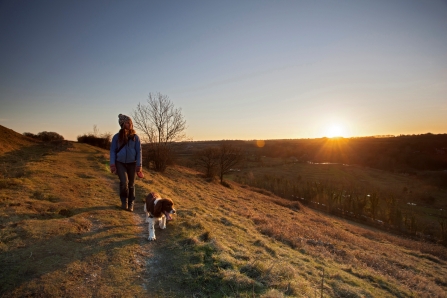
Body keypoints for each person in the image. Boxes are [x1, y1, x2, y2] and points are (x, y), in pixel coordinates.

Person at [109, 114, 143, 211]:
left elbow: (139, 151)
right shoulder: (116, 137)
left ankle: (131, 203)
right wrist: (112, 164)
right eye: (128, 123)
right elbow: (112, 151)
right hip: (120, 163)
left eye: (131, 122)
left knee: (131, 183)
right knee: (124, 182)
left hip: (132, 163)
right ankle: (124, 202)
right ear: (123, 124)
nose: (130, 124)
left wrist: (139, 165)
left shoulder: (135, 137)